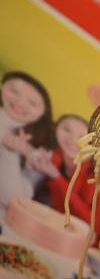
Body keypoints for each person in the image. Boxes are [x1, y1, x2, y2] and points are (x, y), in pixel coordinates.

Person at [30, 114, 100, 258]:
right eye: (66, 130)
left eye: (83, 135)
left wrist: (56, 179)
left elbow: (96, 228)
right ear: (55, 131)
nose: (74, 139)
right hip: (55, 242)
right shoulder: (53, 159)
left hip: (99, 257)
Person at [0, 71, 55, 218]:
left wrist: (10, 152)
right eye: (14, 91)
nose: (20, 103)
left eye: (33, 103)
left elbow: (13, 199)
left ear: (44, 111)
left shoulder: (41, 150)